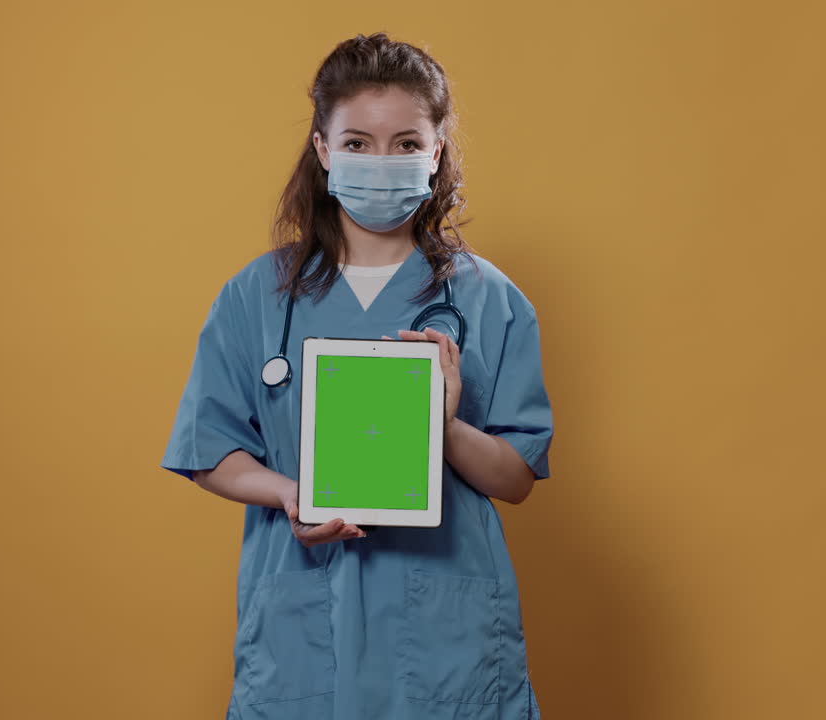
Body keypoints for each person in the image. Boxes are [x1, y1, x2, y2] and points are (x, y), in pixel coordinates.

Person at [160, 32, 553, 720]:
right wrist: (290, 493)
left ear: (436, 151)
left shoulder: (490, 299)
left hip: (444, 631)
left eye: (406, 143)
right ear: (322, 149)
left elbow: (516, 478)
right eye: (358, 143)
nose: (383, 160)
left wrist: (444, 423)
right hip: (303, 623)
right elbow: (207, 450)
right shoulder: (256, 297)